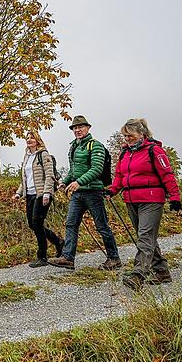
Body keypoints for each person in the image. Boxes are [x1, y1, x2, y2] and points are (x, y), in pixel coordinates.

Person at [106, 118, 182, 291]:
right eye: (125, 136)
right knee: (146, 237)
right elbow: (119, 176)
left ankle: (138, 274)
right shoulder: (125, 153)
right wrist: (112, 190)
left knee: (145, 236)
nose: (127, 139)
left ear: (142, 134)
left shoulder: (154, 151)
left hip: (152, 199)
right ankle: (162, 271)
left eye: (130, 135)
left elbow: (167, 174)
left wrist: (175, 197)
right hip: (131, 199)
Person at [48, 115, 122, 271]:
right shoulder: (74, 146)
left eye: (80, 127)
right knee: (71, 224)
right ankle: (68, 258)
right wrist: (65, 182)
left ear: (88, 128)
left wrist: (79, 182)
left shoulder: (95, 146)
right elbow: (73, 171)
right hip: (77, 194)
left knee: (102, 226)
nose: (77, 130)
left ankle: (114, 258)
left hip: (93, 192)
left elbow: (97, 169)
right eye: (75, 128)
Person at [12, 131, 64, 268]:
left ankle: (42, 256)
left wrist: (47, 193)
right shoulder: (27, 156)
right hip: (29, 194)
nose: (29, 140)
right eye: (27, 138)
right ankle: (58, 242)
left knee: (37, 222)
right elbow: (24, 179)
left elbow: (49, 176)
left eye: (32, 137)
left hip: (41, 194)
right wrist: (19, 193)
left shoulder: (43, 155)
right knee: (33, 224)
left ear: (37, 140)